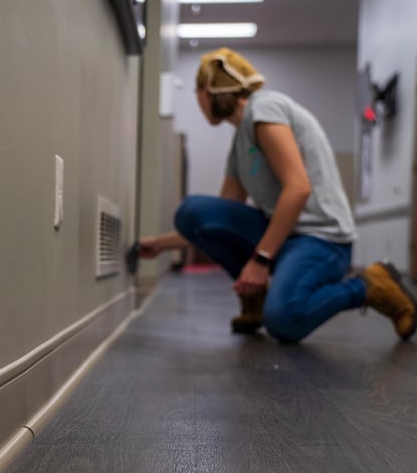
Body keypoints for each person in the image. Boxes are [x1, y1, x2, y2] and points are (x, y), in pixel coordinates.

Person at [137, 48, 417, 343]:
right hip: (282, 235)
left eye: (197, 91)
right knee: (192, 213)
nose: (197, 100)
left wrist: (260, 260)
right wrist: (160, 244)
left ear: (208, 91)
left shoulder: (264, 108)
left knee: (285, 321)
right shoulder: (240, 138)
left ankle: (371, 286)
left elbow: (298, 188)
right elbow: (223, 215)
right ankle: (255, 299)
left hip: (322, 239)